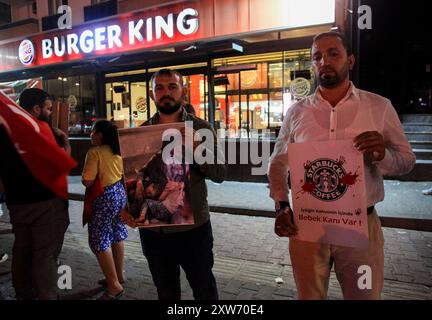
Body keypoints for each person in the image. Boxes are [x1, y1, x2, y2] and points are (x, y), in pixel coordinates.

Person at [268, 32, 416, 300]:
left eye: (333, 54)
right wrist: (281, 205)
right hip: (307, 228)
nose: (324, 61)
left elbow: (406, 161)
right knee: (309, 297)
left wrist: (382, 154)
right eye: (317, 57)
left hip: (361, 229)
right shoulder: (297, 112)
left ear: (350, 60)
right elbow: (278, 162)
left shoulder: (379, 107)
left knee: (364, 295)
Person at [121, 68, 227, 300]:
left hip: (193, 230)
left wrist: (198, 148)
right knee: (166, 292)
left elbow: (220, 173)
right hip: (155, 232)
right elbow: (132, 180)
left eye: (172, 87)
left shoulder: (201, 128)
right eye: (159, 88)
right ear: (152, 95)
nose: (165, 92)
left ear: (184, 92)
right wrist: (126, 208)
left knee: (204, 289)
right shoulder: (139, 135)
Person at [0, 88, 76, 299]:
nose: (50, 113)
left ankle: (23, 292)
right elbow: (61, 164)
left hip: (16, 203)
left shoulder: (6, 129)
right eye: (48, 109)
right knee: (45, 254)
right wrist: (67, 142)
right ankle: (46, 294)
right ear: (36, 109)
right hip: (46, 202)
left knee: (22, 249)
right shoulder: (41, 130)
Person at [81, 120, 128, 300]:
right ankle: (119, 274)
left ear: (100, 134)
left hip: (103, 198)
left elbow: (88, 181)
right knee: (116, 233)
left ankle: (114, 285)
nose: (91, 135)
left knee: (99, 239)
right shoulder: (117, 150)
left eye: (93, 132)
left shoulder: (94, 153)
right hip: (119, 194)